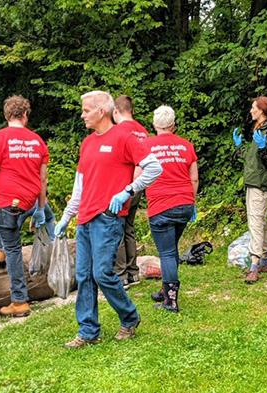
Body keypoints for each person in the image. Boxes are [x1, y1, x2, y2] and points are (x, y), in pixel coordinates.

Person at [54, 91, 162, 349]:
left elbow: (155, 167)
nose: (82, 115)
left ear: (101, 111)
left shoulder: (124, 137)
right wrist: (67, 216)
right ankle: (88, 331)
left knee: (102, 272)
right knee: (84, 275)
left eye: (86, 110)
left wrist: (129, 189)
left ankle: (129, 317)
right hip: (85, 219)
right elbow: (79, 185)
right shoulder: (87, 143)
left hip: (108, 217)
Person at [0, 95, 49, 317]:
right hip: (29, 201)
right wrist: (41, 207)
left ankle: (19, 301)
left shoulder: (0, 137)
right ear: (25, 115)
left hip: (8, 203)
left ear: (7, 115)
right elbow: (43, 179)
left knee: (13, 249)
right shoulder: (37, 141)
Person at [139, 105, 198, 312]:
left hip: (161, 205)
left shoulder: (145, 145)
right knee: (171, 249)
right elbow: (194, 178)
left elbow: (137, 176)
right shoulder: (186, 146)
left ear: (154, 124)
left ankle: (170, 301)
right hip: (184, 203)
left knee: (167, 252)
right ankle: (165, 291)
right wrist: (192, 201)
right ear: (173, 125)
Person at [231, 96, 267, 284]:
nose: (251, 111)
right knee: (261, 219)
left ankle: (254, 265)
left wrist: (262, 148)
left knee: (255, 221)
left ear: (262, 110)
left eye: (253, 108)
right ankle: (265, 258)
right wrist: (239, 147)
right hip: (254, 180)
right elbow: (252, 157)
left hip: (261, 183)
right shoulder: (259, 129)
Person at [111, 94, 149, 288]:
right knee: (129, 228)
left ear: (115, 111)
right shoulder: (142, 130)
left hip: (123, 187)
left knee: (117, 229)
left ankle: (121, 275)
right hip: (139, 185)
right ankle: (133, 272)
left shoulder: (119, 131)